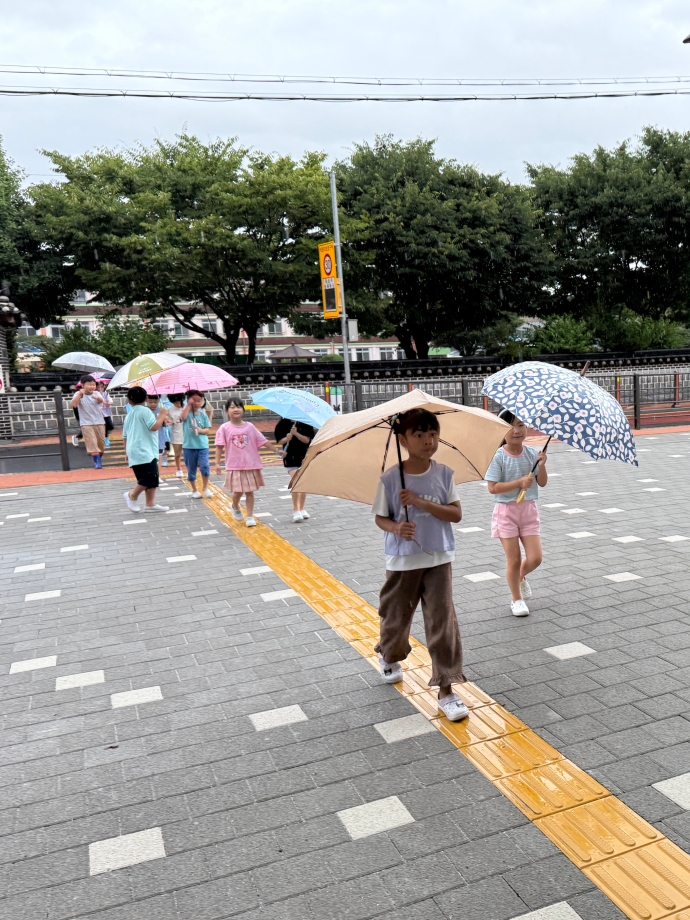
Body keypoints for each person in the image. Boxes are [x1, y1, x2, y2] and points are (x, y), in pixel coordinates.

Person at [372, 407, 468, 722]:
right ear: (403, 439)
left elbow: (455, 514)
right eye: (419, 434)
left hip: (439, 557)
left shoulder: (444, 474)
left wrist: (422, 502)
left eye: (433, 433)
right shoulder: (389, 478)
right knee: (395, 615)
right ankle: (389, 654)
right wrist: (397, 528)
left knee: (442, 620)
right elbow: (380, 518)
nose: (428, 440)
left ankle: (447, 686)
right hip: (402, 560)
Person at [485, 410, 548, 617]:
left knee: (536, 558)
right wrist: (519, 483)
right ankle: (516, 599)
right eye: (511, 426)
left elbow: (542, 482)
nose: (517, 430)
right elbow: (493, 488)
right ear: (501, 431)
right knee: (513, 559)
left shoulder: (531, 454)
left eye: (521, 425)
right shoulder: (498, 457)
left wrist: (542, 465)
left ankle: (520, 577)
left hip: (528, 510)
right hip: (506, 512)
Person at [214, 396, 268, 527]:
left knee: (250, 491)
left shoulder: (250, 427)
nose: (235, 409)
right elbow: (219, 446)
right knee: (238, 491)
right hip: (234, 465)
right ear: (227, 411)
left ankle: (250, 516)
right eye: (232, 407)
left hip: (250, 464)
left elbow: (262, 440)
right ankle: (235, 505)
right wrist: (217, 463)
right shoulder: (224, 428)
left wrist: (278, 451)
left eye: (238, 406)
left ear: (243, 410)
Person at [122, 386, 169, 513]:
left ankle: (150, 504)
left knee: (149, 477)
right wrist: (162, 415)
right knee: (149, 476)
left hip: (135, 450)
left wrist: (126, 451)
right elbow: (153, 427)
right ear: (146, 398)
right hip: (144, 450)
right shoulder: (145, 411)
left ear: (129, 400)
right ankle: (132, 495)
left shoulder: (129, 415)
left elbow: (125, 436)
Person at [274, 417, 315, 522]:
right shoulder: (283, 423)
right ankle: (295, 510)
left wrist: (296, 434)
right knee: (296, 481)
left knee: (302, 482)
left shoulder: (305, 423)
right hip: (290, 457)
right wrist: (287, 438)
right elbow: (280, 441)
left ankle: (302, 508)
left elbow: (307, 440)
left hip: (304, 457)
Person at [180, 389, 213, 499]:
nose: (197, 403)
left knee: (205, 466)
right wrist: (188, 405)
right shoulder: (187, 413)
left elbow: (207, 429)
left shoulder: (203, 415)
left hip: (202, 446)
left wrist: (200, 430)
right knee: (191, 468)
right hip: (189, 446)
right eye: (194, 400)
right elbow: (182, 418)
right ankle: (194, 490)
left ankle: (205, 488)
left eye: (199, 400)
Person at [70, 374, 105, 469]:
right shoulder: (78, 394)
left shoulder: (96, 393)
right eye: (89, 384)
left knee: (101, 443)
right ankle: (97, 463)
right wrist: (80, 394)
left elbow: (101, 401)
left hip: (99, 422)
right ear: (82, 385)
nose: (92, 386)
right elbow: (74, 404)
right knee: (92, 443)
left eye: (93, 384)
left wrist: (98, 398)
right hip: (86, 423)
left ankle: (99, 457)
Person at [146, 394, 170, 468]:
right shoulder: (145, 411)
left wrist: (165, 420)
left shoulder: (161, 410)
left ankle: (157, 475)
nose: (153, 404)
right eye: (150, 402)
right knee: (149, 458)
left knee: (159, 457)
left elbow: (166, 423)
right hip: (148, 439)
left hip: (159, 438)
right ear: (146, 400)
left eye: (155, 402)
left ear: (159, 401)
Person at [166, 393, 186, 478]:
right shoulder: (169, 410)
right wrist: (168, 422)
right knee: (177, 454)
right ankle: (178, 469)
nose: (178, 404)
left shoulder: (187, 407)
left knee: (188, 454)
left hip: (187, 434)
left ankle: (190, 469)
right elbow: (167, 421)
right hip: (176, 433)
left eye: (179, 402)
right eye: (175, 403)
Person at [96, 380, 114, 448]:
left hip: (106, 412)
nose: (100, 388)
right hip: (99, 413)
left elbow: (111, 401)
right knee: (102, 427)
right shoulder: (95, 394)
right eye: (98, 387)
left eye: (101, 387)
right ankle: (104, 439)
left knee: (110, 426)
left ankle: (106, 437)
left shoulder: (106, 393)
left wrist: (108, 403)